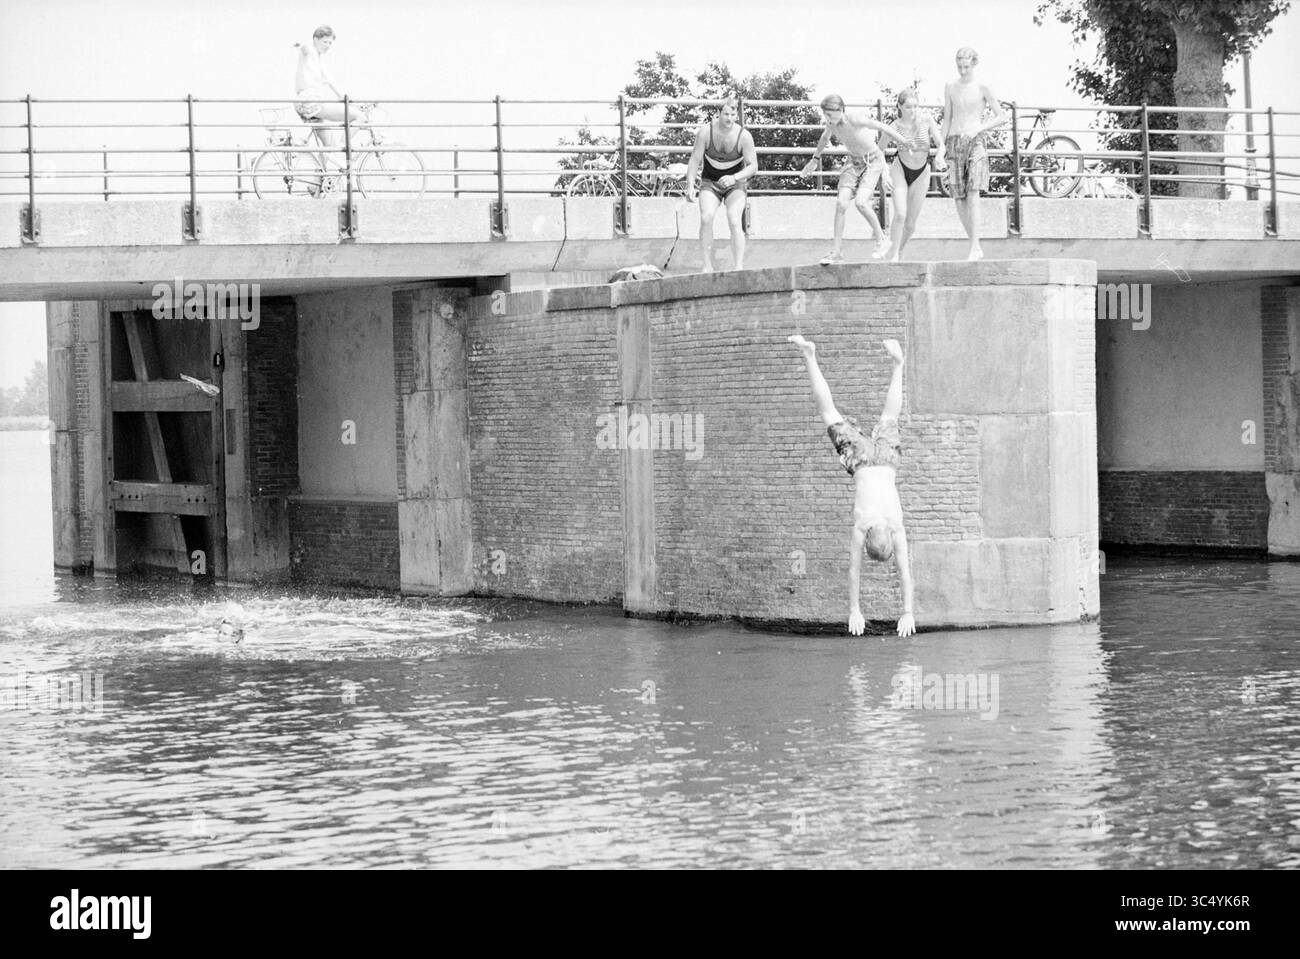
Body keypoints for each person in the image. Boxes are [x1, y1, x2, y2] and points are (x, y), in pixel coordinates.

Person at [789, 334, 916, 638]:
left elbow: (903, 573)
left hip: (885, 462)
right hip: (860, 462)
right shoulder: (862, 528)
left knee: (890, 415)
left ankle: (898, 365)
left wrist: (908, 610)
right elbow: (855, 572)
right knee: (829, 414)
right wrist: (855, 610)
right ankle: (809, 356)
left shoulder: (895, 527)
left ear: (881, 535)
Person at [799, 94, 907, 265]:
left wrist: (904, 142)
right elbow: (825, 138)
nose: (828, 119)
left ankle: (882, 239)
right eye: (826, 115)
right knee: (841, 203)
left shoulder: (855, 119)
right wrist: (815, 159)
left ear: (841, 110)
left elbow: (882, 127)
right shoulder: (830, 124)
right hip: (853, 162)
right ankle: (836, 252)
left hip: (873, 161)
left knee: (861, 203)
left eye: (831, 115)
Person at [940, 47, 1006, 260]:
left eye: (966, 66)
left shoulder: (982, 86)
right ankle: (974, 243)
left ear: (974, 64)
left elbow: (1001, 116)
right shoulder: (950, 86)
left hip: (975, 139)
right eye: (959, 66)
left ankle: (974, 246)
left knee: (973, 192)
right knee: (958, 197)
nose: (962, 70)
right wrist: (940, 148)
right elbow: (947, 119)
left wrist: (978, 128)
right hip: (954, 140)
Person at [685, 99, 759, 272]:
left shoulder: (744, 136)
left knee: (734, 220)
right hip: (710, 182)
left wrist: (734, 178)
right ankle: (707, 265)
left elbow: (753, 167)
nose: (729, 118)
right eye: (726, 114)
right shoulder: (705, 132)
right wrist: (690, 185)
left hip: (735, 183)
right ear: (718, 114)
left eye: (733, 115)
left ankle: (738, 266)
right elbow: (695, 159)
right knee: (706, 217)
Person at [884, 89, 946, 262]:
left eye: (915, 106)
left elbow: (941, 145)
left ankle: (899, 249)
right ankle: (894, 253)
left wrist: (940, 156)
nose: (912, 110)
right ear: (899, 107)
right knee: (900, 214)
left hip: (921, 172)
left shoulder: (926, 121)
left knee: (910, 225)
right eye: (908, 107)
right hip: (900, 169)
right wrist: (884, 173)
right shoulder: (894, 126)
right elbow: (878, 150)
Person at [294, 25, 365, 172]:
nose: (328, 46)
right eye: (325, 42)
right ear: (316, 40)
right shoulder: (311, 52)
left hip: (304, 103)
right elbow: (305, 48)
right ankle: (343, 147)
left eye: (330, 43)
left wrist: (342, 97)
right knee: (360, 117)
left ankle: (317, 186)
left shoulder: (319, 60)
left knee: (328, 146)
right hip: (311, 101)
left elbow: (329, 80)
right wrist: (301, 45)